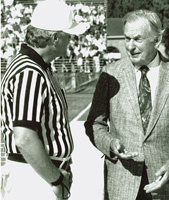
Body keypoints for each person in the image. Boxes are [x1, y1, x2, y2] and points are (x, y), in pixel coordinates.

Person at [84, 9, 169, 200]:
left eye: (137, 39)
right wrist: (111, 144)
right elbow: (95, 124)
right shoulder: (110, 74)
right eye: (127, 38)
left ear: (156, 41)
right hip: (122, 186)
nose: (130, 46)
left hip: (167, 186)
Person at [1, 0, 88, 199]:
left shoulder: (36, 67)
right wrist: (56, 179)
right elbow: (24, 137)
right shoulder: (29, 72)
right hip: (34, 178)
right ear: (55, 38)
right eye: (69, 36)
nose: (71, 41)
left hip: (38, 174)